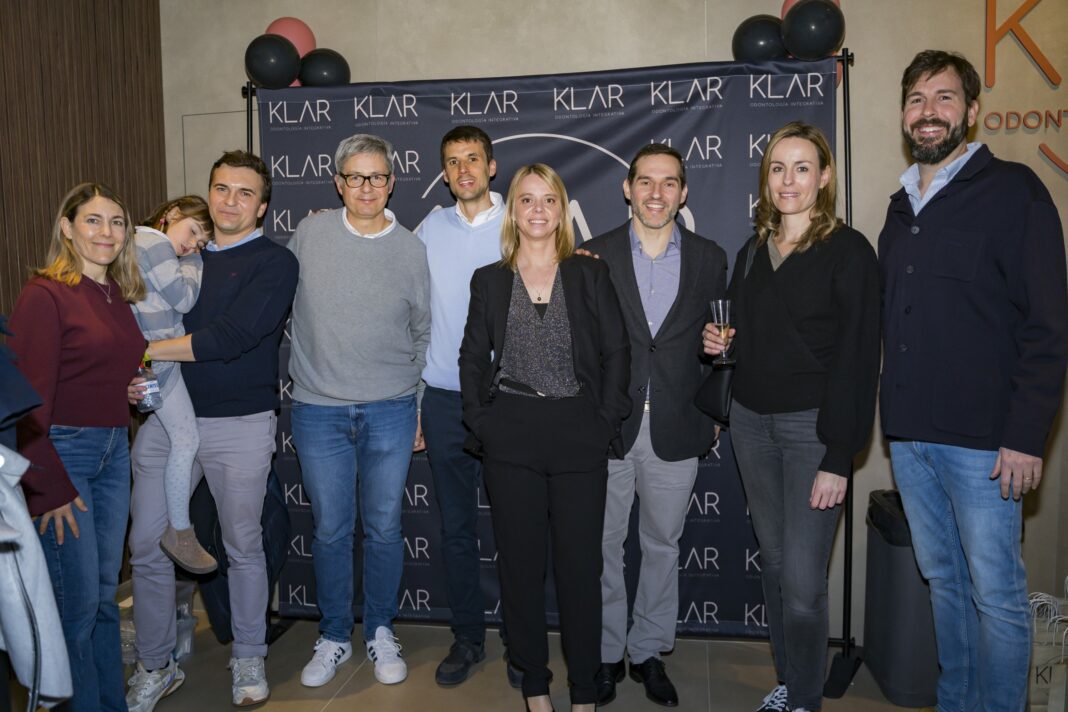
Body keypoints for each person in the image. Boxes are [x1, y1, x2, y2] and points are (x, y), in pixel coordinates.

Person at [879, 50, 1067, 712]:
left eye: (944, 97)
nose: (928, 111)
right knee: (945, 584)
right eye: (916, 99)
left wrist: (1026, 435)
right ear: (904, 115)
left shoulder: (1015, 192)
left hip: (987, 446)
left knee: (998, 598)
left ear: (972, 111)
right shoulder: (900, 207)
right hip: (910, 439)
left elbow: (1049, 326)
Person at [702, 122, 880, 712]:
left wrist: (839, 455)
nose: (788, 180)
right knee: (775, 566)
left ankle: (805, 700)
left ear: (824, 177)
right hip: (751, 425)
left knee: (803, 585)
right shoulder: (753, 250)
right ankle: (790, 681)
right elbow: (737, 332)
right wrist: (716, 340)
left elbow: (858, 360)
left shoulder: (850, 251)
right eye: (778, 168)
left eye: (802, 168)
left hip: (813, 432)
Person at [126, 151, 299, 710]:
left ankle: (248, 654)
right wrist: (132, 373)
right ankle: (155, 663)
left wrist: (144, 351)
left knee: (242, 544)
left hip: (238, 422)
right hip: (166, 418)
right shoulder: (179, 255)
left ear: (262, 206)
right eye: (221, 189)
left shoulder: (274, 263)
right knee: (148, 544)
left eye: (245, 193)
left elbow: (230, 338)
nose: (230, 201)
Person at [459, 164, 631, 712]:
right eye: (527, 199)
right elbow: (471, 358)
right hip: (510, 435)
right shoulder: (489, 279)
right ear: (512, 210)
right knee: (520, 569)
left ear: (562, 210)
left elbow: (617, 352)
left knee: (581, 571)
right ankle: (534, 685)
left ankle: (584, 691)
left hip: (579, 433)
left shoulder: (589, 274)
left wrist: (604, 422)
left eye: (548, 200)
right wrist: (482, 422)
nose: (538, 210)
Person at [582, 143, 726, 708]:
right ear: (628, 189)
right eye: (645, 181)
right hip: (607, 428)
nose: (656, 193)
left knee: (663, 545)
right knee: (602, 546)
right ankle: (606, 651)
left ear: (683, 193)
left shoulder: (710, 258)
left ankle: (647, 650)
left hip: (679, 424)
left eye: (669, 183)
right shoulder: (594, 254)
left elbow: (719, 343)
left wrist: (714, 398)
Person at [288, 133, 430, 689]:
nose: (366, 187)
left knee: (385, 527)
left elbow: (422, 331)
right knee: (329, 530)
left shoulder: (411, 248)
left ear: (391, 183)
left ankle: (380, 629)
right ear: (338, 182)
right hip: (318, 409)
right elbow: (276, 302)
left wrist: (417, 404)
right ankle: (332, 635)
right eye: (354, 177)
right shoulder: (310, 234)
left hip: (392, 408)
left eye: (376, 177)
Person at [9, 182, 146, 711]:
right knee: (77, 605)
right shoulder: (45, 294)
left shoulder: (115, 293)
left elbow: (93, 369)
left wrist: (124, 389)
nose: (106, 232)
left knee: (105, 598)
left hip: (113, 450)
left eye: (117, 222)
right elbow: (24, 404)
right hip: (63, 455)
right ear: (67, 228)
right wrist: (47, 487)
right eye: (93, 220)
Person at [416, 126, 506, 686]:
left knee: (519, 527)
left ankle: (522, 643)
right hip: (445, 400)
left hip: (510, 400)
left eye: (473, 158)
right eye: (453, 162)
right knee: (455, 529)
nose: (464, 169)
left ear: (491, 166)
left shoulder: (523, 220)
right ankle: (468, 637)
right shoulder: (429, 228)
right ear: (445, 174)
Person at [131, 196, 216, 574]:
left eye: (201, 243)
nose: (192, 245)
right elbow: (183, 299)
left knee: (184, 438)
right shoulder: (154, 243)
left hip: (155, 363)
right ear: (171, 214)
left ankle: (179, 531)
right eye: (193, 231)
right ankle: (179, 531)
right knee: (186, 440)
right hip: (159, 362)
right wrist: (196, 262)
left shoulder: (139, 242)